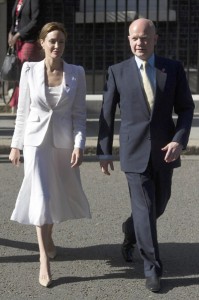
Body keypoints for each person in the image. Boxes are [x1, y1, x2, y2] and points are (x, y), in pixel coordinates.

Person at [97, 18, 194, 292]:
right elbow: (106, 114)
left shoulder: (172, 69)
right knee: (145, 208)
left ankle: (131, 230)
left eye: (144, 37)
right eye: (134, 38)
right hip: (133, 152)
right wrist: (104, 153)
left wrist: (179, 140)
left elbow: (186, 109)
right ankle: (152, 267)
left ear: (155, 38)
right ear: (129, 40)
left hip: (165, 153)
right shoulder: (117, 71)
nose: (139, 43)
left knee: (158, 206)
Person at [9, 22, 91, 288]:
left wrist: (79, 145)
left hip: (64, 144)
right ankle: (44, 259)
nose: (57, 46)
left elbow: (80, 116)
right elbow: (23, 111)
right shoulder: (29, 69)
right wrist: (15, 145)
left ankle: (48, 237)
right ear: (42, 43)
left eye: (61, 42)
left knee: (56, 195)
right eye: (52, 41)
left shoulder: (77, 72)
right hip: (36, 143)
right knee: (42, 196)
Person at [8, 0, 44, 112]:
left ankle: (27, 109)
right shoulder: (19, 1)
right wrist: (11, 33)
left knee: (27, 75)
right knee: (19, 75)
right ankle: (19, 107)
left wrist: (18, 34)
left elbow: (35, 21)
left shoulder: (33, 1)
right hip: (18, 42)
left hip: (29, 41)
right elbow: (16, 21)